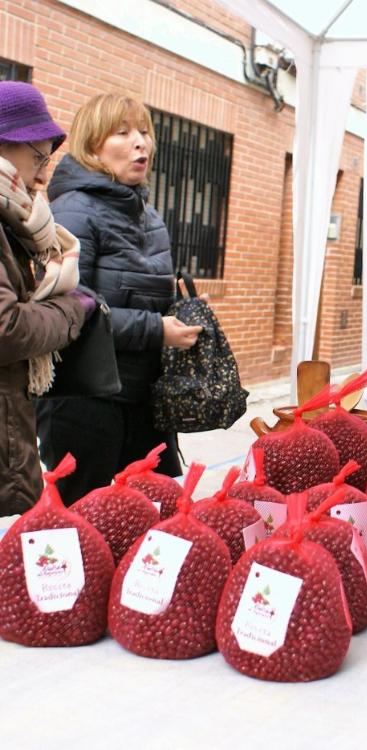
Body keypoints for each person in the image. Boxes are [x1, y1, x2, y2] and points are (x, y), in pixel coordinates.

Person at [36, 93, 202, 505]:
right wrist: (155, 330)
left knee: (152, 512)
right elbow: (72, 304)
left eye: (144, 132)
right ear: (93, 146)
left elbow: (150, 296)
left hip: (143, 395)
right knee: (84, 518)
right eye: (122, 133)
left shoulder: (150, 216)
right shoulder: (74, 209)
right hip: (85, 398)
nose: (140, 142)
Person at [0, 82, 91, 515]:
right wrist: (71, 309)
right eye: (37, 157)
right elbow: (5, 328)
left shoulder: (15, 218)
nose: (42, 175)